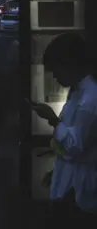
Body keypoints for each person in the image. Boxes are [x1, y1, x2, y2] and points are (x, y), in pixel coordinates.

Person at [32, 32, 97, 227]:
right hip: (70, 185)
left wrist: (52, 119)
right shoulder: (78, 91)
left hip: (77, 191)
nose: (55, 76)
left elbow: (75, 147)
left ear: (71, 64)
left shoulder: (89, 100)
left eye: (56, 69)